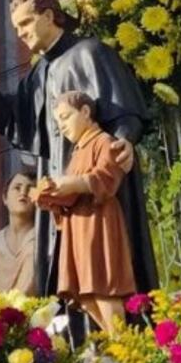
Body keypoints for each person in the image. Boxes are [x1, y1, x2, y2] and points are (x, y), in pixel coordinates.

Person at [0, 0, 157, 302]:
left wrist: (125, 137)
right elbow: (12, 122)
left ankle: (125, 342)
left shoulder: (90, 52)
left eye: (24, 23)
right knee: (67, 277)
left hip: (96, 183)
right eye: (16, 27)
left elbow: (123, 109)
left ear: (49, 15)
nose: (20, 34)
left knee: (105, 272)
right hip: (57, 184)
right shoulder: (37, 75)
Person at [35, 91, 135, 332]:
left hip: (98, 221)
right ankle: (117, 344)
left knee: (102, 286)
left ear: (86, 112)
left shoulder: (103, 141)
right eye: (58, 122)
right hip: (77, 227)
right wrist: (49, 196)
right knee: (86, 294)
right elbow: (69, 195)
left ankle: (126, 346)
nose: (62, 126)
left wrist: (71, 183)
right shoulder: (77, 151)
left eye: (66, 117)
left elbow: (107, 177)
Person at [0, 170, 38, 295]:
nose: (23, 193)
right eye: (17, 188)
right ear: (5, 198)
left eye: (30, 189)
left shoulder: (40, 239)